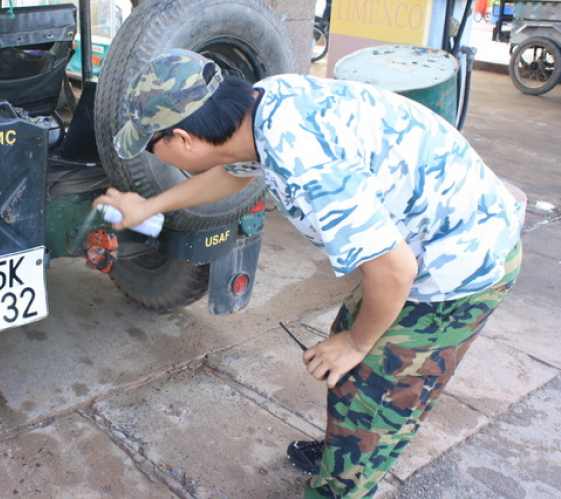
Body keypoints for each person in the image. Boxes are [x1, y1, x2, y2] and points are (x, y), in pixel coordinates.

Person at [94, 49, 523, 498]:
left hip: (462, 267)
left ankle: (346, 475)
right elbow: (234, 173)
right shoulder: (262, 106)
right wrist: (149, 205)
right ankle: (345, 450)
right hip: (435, 237)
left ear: (182, 139)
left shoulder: (307, 167)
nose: (152, 152)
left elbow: (395, 270)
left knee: (376, 386)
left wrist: (358, 344)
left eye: (151, 144)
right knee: (345, 349)